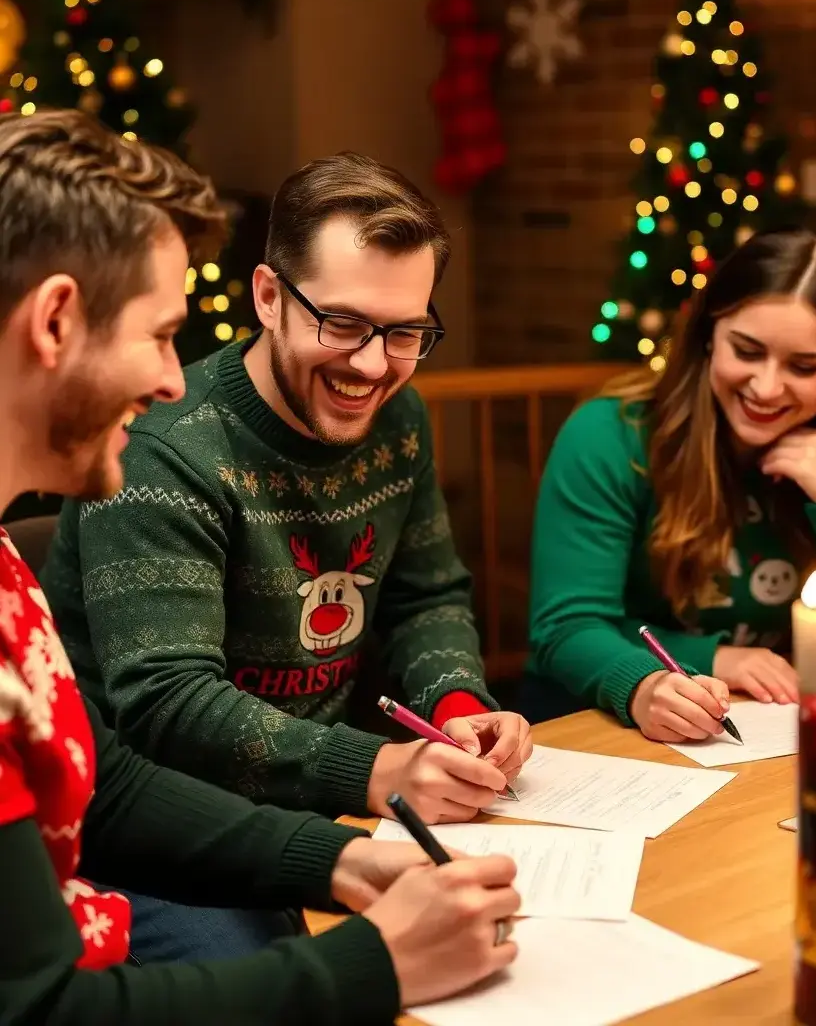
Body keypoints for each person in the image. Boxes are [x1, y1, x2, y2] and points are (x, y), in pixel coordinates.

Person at [0, 108, 521, 1025]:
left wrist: (342, 857)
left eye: (403, 333)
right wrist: (377, 963)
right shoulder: (170, 445)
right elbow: (38, 1010)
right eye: (160, 333)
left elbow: (103, 781)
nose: (173, 379)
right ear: (55, 322)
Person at [525, 228, 812, 739]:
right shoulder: (610, 436)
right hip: (599, 727)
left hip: (777, 727)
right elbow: (567, 629)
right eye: (746, 352)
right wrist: (709, 658)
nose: (767, 388)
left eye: (805, 367)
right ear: (707, 336)